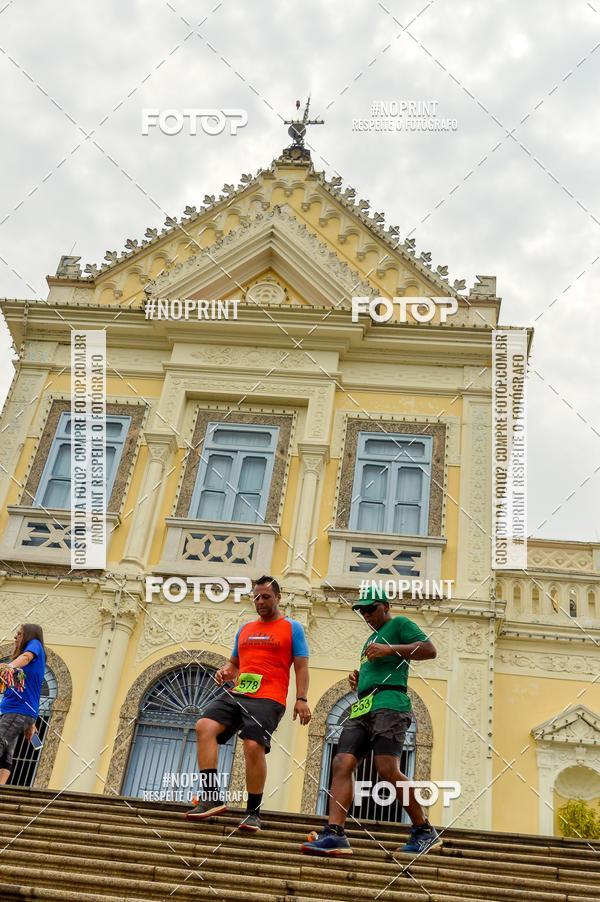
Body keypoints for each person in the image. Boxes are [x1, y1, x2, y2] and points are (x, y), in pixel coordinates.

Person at [301, 586, 441, 857]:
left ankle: (423, 830)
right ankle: (335, 834)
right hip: (363, 706)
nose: (366, 614)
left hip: (390, 704)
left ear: (385, 606)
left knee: (386, 768)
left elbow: (429, 650)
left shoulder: (400, 624)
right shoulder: (370, 641)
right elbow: (377, 668)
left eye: (370, 608)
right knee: (342, 762)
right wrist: (359, 680)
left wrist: (389, 649)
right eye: (362, 610)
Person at [186, 575, 311, 831]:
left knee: (253, 745)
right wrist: (225, 671)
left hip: (269, 697)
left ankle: (253, 812)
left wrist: (301, 699)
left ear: (278, 597)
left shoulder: (292, 628)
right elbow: (234, 664)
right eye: (256, 597)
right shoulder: (245, 629)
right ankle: (211, 796)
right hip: (240, 691)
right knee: (204, 725)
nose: (260, 601)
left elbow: (301, 667)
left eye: (266, 596)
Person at [0, 623, 46, 785]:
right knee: (6, 751)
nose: (15, 637)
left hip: (18, 710)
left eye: (19, 633)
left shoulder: (35, 645)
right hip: (16, 711)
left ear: (29, 635)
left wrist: (9, 666)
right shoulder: (26, 662)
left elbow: (26, 657)